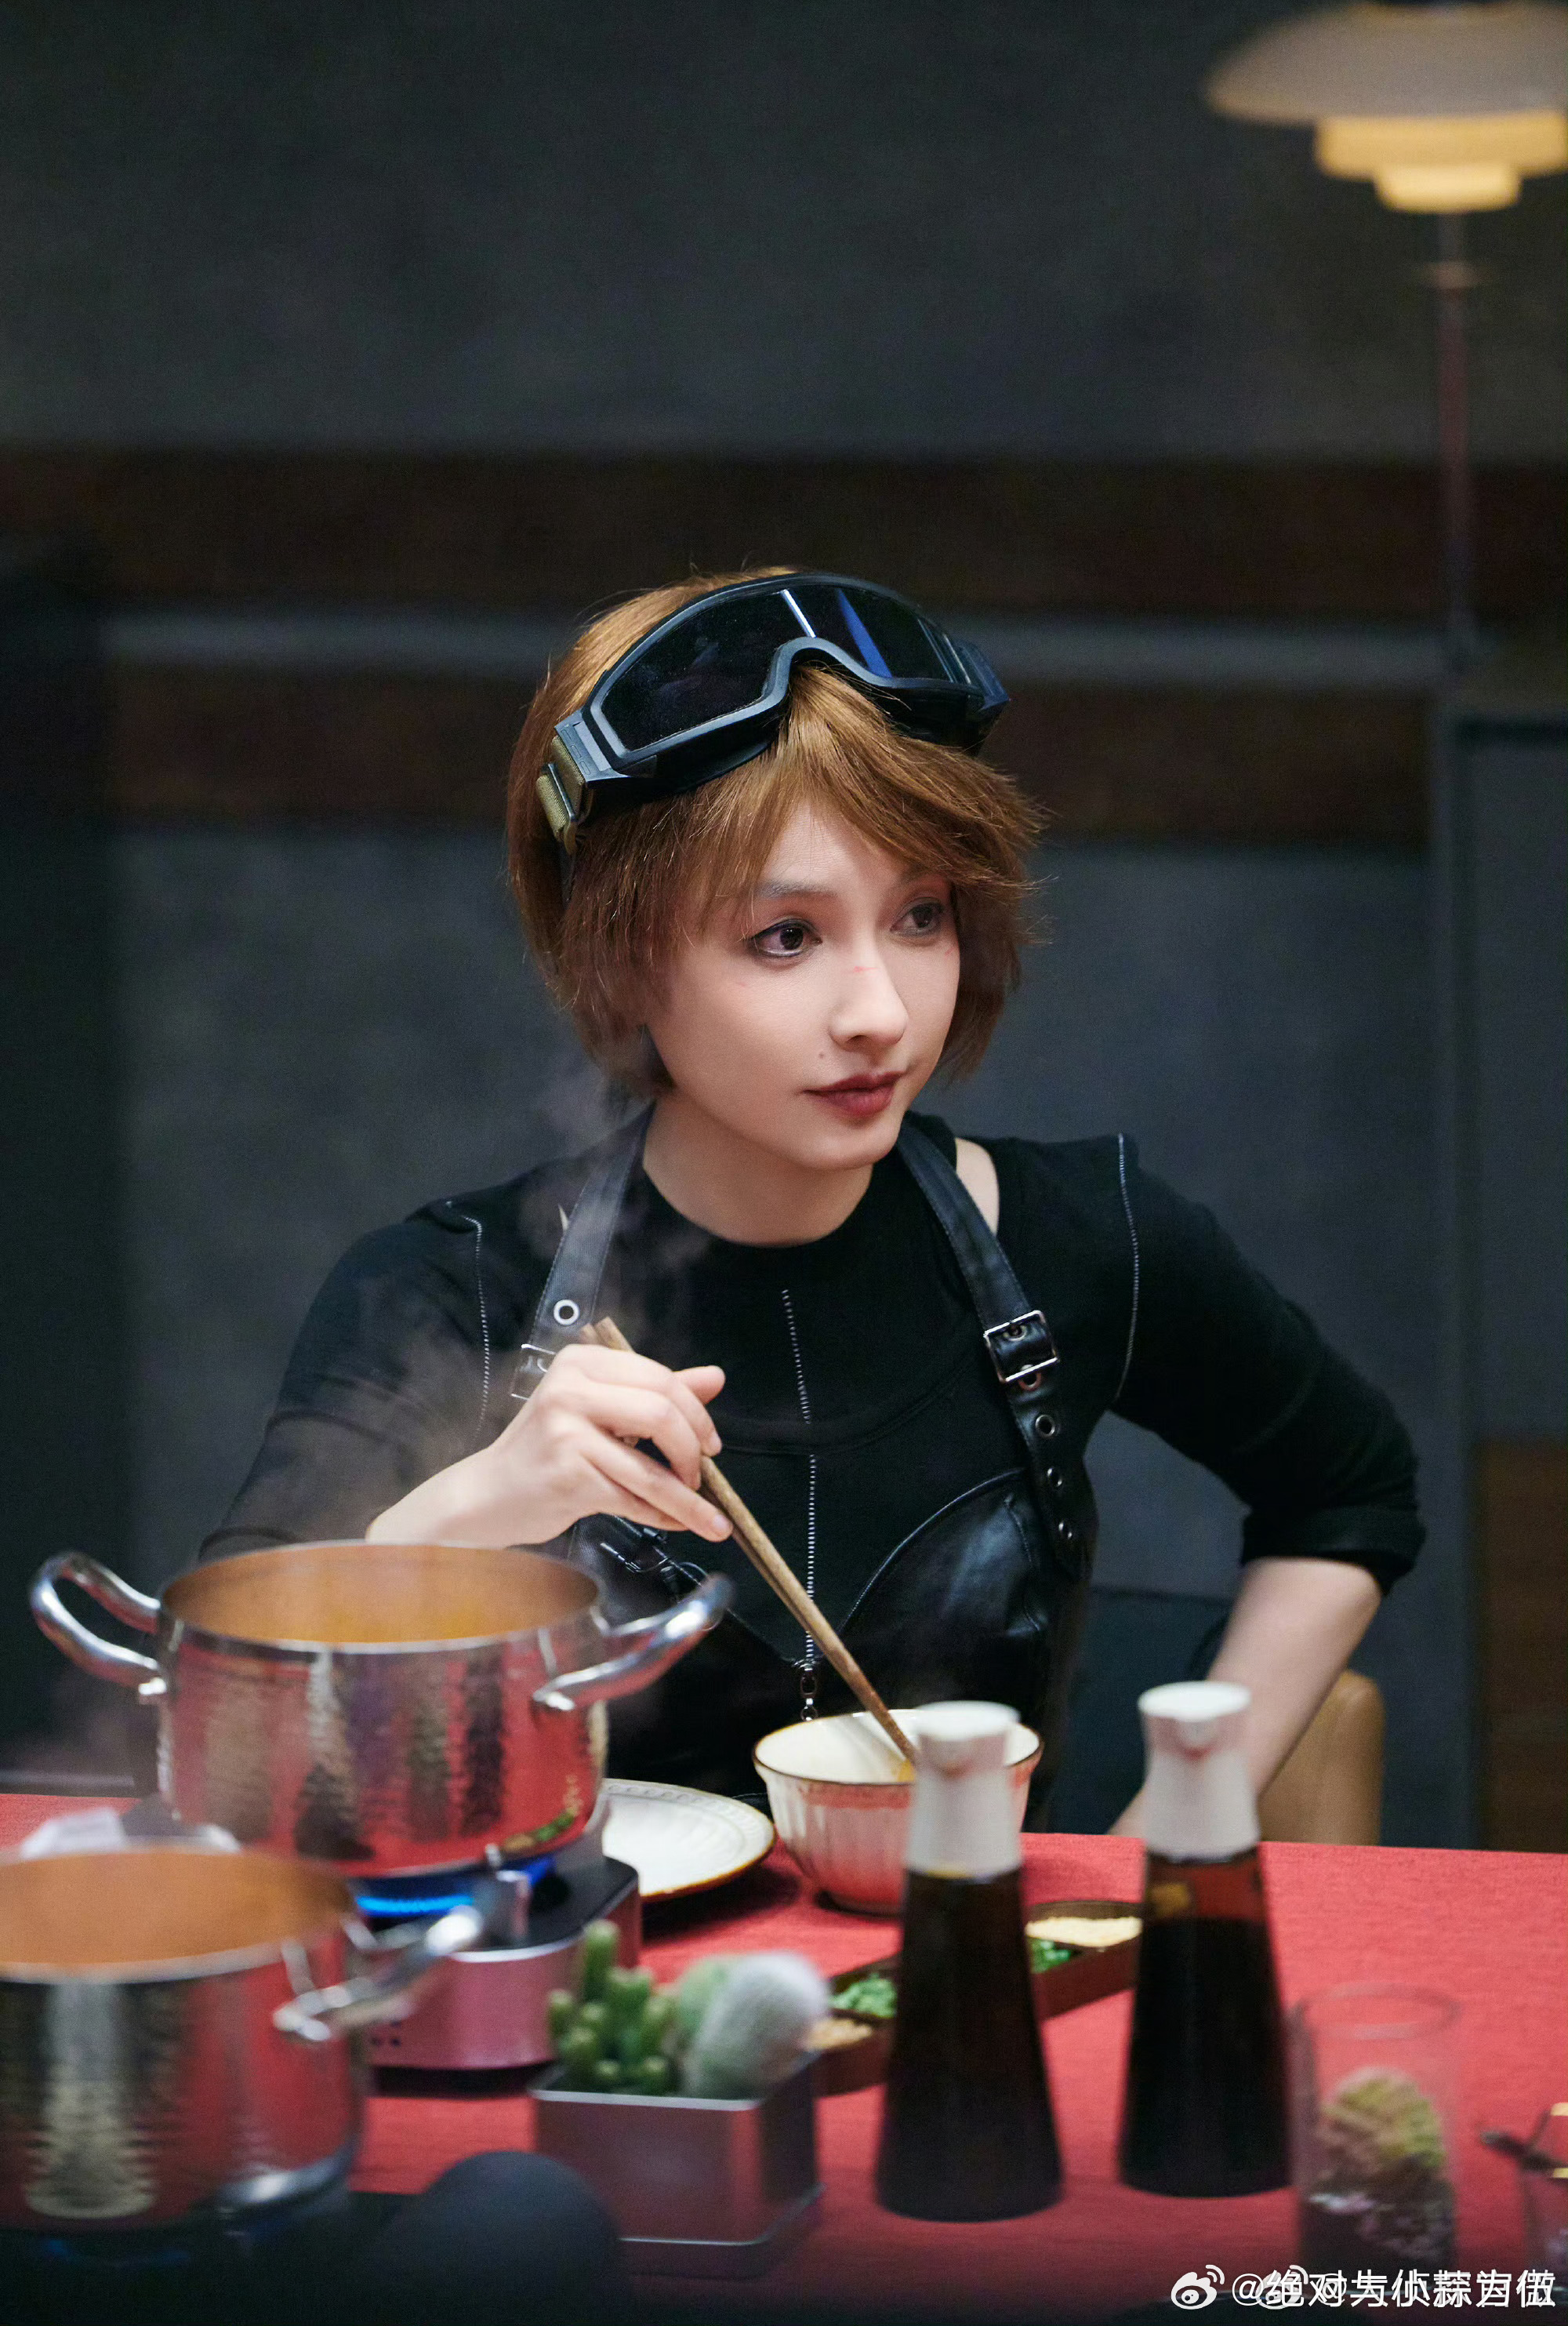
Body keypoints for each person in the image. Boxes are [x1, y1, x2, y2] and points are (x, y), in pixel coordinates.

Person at [203, 569, 1422, 1830]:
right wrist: (479, 1503)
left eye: (920, 915)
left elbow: (1352, 1489)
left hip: (966, 1949)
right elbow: (225, 1744)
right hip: (600, 1960)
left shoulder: (1077, 1237)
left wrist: (1167, 1830)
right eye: (785, 936)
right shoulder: (444, 1293)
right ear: (620, 959)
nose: (880, 1012)